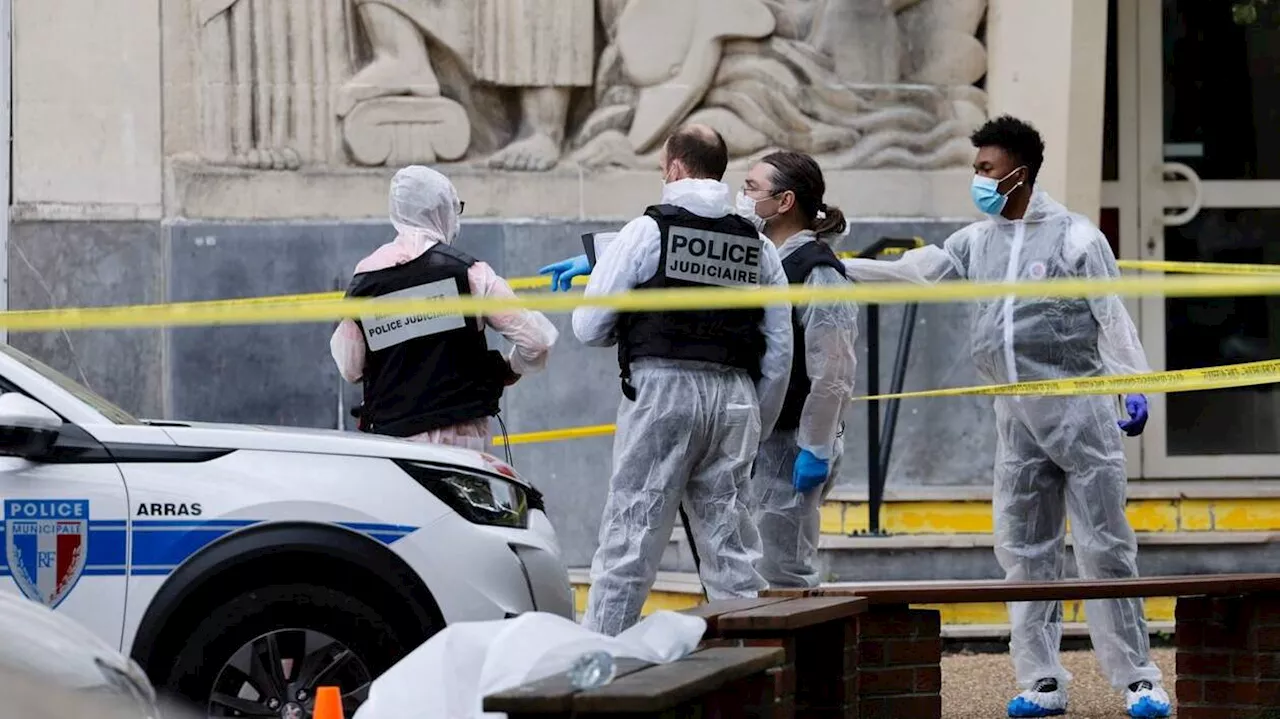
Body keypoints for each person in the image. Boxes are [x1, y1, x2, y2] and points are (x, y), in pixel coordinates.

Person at [840, 115, 1168, 719]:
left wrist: (1134, 381)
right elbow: (915, 270)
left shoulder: (1075, 237)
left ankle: (1139, 679)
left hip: (1080, 413)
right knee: (1025, 550)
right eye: (977, 169)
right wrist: (835, 265)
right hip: (1014, 417)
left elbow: (1110, 312)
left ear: (1019, 172)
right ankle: (1042, 679)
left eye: (986, 169)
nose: (979, 179)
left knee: (1106, 549)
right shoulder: (976, 241)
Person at [556, 124, 793, 637]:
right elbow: (779, 350)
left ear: (675, 168)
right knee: (732, 553)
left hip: (661, 393)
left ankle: (602, 674)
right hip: (736, 399)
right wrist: (757, 421)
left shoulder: (647, 231)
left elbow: (589, 326)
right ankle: (754, 674)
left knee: (630, 541)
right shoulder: (757, 243)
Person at [330, 165, 559, 452]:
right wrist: (509, 369)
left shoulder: (365, 280)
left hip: (394, 442)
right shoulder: (470, 273)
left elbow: (350, 368)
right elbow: (536, 341)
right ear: (442, 210)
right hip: (463, 440)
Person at [737, 151, 858, 588]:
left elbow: (833, 371)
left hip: (792, 443)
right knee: (754, 574)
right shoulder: (765, 259)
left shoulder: (818, 273)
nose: (742, 197)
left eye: (751, 188)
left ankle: (799, 659)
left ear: (784, 201)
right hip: (761, 440)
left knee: (783, 574)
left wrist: (816, 446)